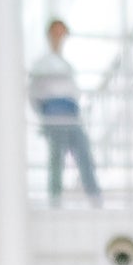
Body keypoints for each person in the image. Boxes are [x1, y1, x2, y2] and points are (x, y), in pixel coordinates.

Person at [33, 18, 100, 207]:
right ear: (50, 35)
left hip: (71, 115)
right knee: (57, 159)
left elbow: (73, 91)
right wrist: (45, 114)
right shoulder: (42, 64)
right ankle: (55, 201)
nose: (60, 38)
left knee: (84, 154)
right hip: (54, 113)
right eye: (57, 33)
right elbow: (35, 93)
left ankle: (94, 197)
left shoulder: (66, 64)